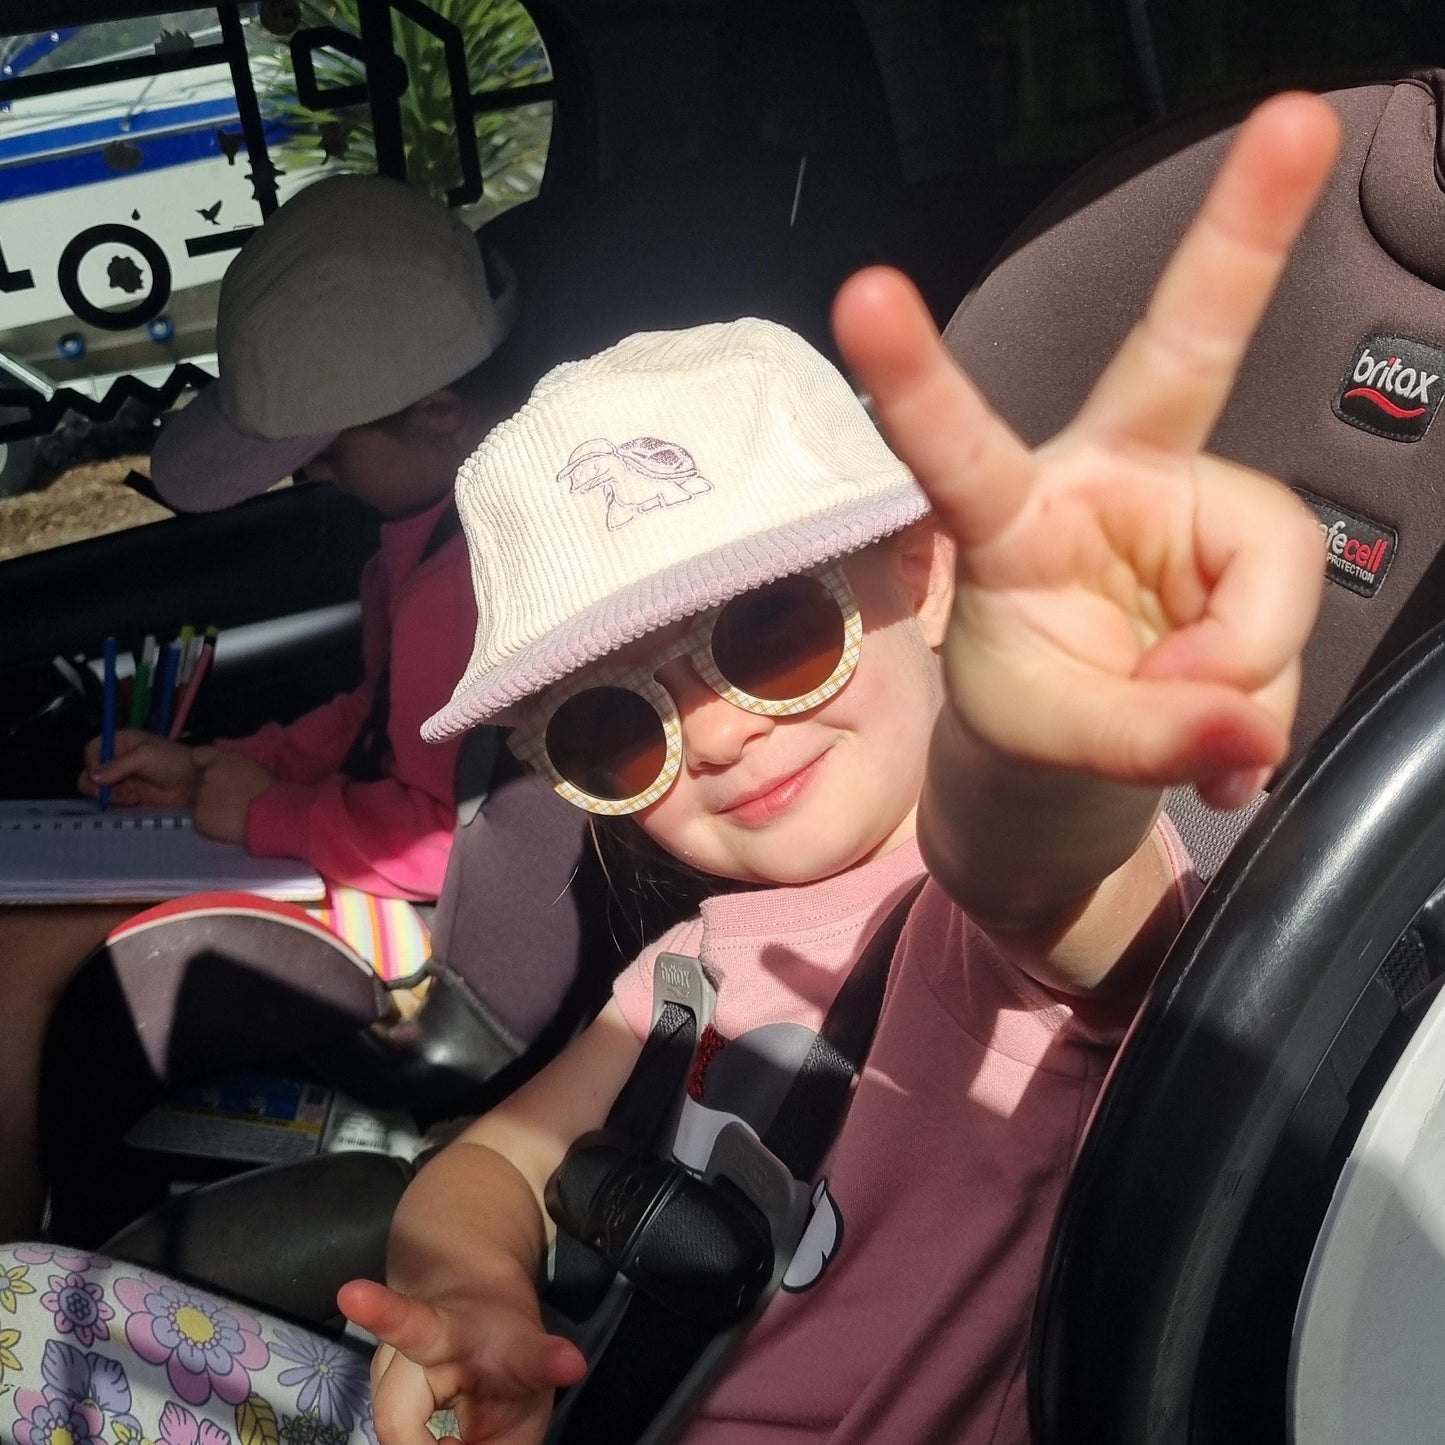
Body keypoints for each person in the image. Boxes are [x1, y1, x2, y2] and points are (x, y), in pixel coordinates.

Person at [329, 91, 1340, 1445]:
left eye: (776, 633)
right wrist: (467, 1297)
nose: (725, 731)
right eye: (616, 731)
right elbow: (491, 1164)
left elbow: (1049, 882)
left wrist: (1039, 732)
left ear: (926, 578)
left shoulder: (991, 926)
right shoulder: (677, 975)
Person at [0, 173, 524, 1240]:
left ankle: (16, 1269)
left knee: (21, 961)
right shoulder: (420, 536)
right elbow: (371, 720)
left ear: (435, 411)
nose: (317, 480)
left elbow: (449, 836)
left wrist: (263, 816)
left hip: (433, 929)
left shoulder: (475, 577)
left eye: (325, 454)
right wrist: (215, 768)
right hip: (377, 860)